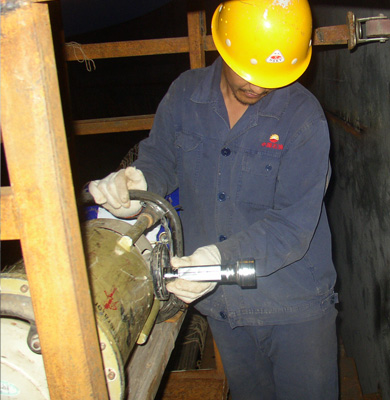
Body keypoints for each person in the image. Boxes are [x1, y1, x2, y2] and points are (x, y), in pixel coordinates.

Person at [88, 0, 339, 398]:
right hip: (221, 302)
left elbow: (292, 226)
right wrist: (137, 184)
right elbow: (161, 158)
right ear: (223, 46)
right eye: (247, 71)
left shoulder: (303, 117)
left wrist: (217, 260)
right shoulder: (185, 94)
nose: (257, 86)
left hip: (293, 305)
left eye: (269, 76)